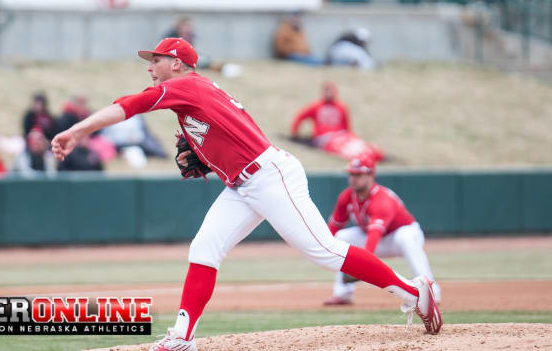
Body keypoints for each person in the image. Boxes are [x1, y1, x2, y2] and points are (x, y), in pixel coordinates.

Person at [51, 38, 442, 350]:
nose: (150, 68)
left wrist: (76, 131)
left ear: (176, 63)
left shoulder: (184, 85)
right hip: (242, 185)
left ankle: (414, 291)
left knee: (325, 252)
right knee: (204, 248)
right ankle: (182, 337)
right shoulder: (193, 96)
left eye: (155, 61)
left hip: (271, 178)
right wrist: (203, 155)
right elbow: (226, 135)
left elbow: (129, 105)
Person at [324, 155, 441, 306]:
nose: (353, 178)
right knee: (342, 236)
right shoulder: (346, 196)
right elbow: (334, 227)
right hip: (373, 237)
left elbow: (374, 235)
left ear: (370, 175)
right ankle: (343, 294)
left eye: (358, 174)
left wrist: (361, 266)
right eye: (351, 174)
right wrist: (323, 248)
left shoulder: (381, 199)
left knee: (406, 238)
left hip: (400, 235)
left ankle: (432, 292)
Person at [291, 82, 384, 163]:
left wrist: (349, 135)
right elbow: (300, 117)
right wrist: (295, 133)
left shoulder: (341, 107)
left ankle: (373, 152)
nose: (328, 94)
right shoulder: (316, 106)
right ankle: (363, 157)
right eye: (326, 91)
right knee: (344, 148)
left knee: (356, 143)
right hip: (325, 137)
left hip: (341, 135)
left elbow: (346, 126)